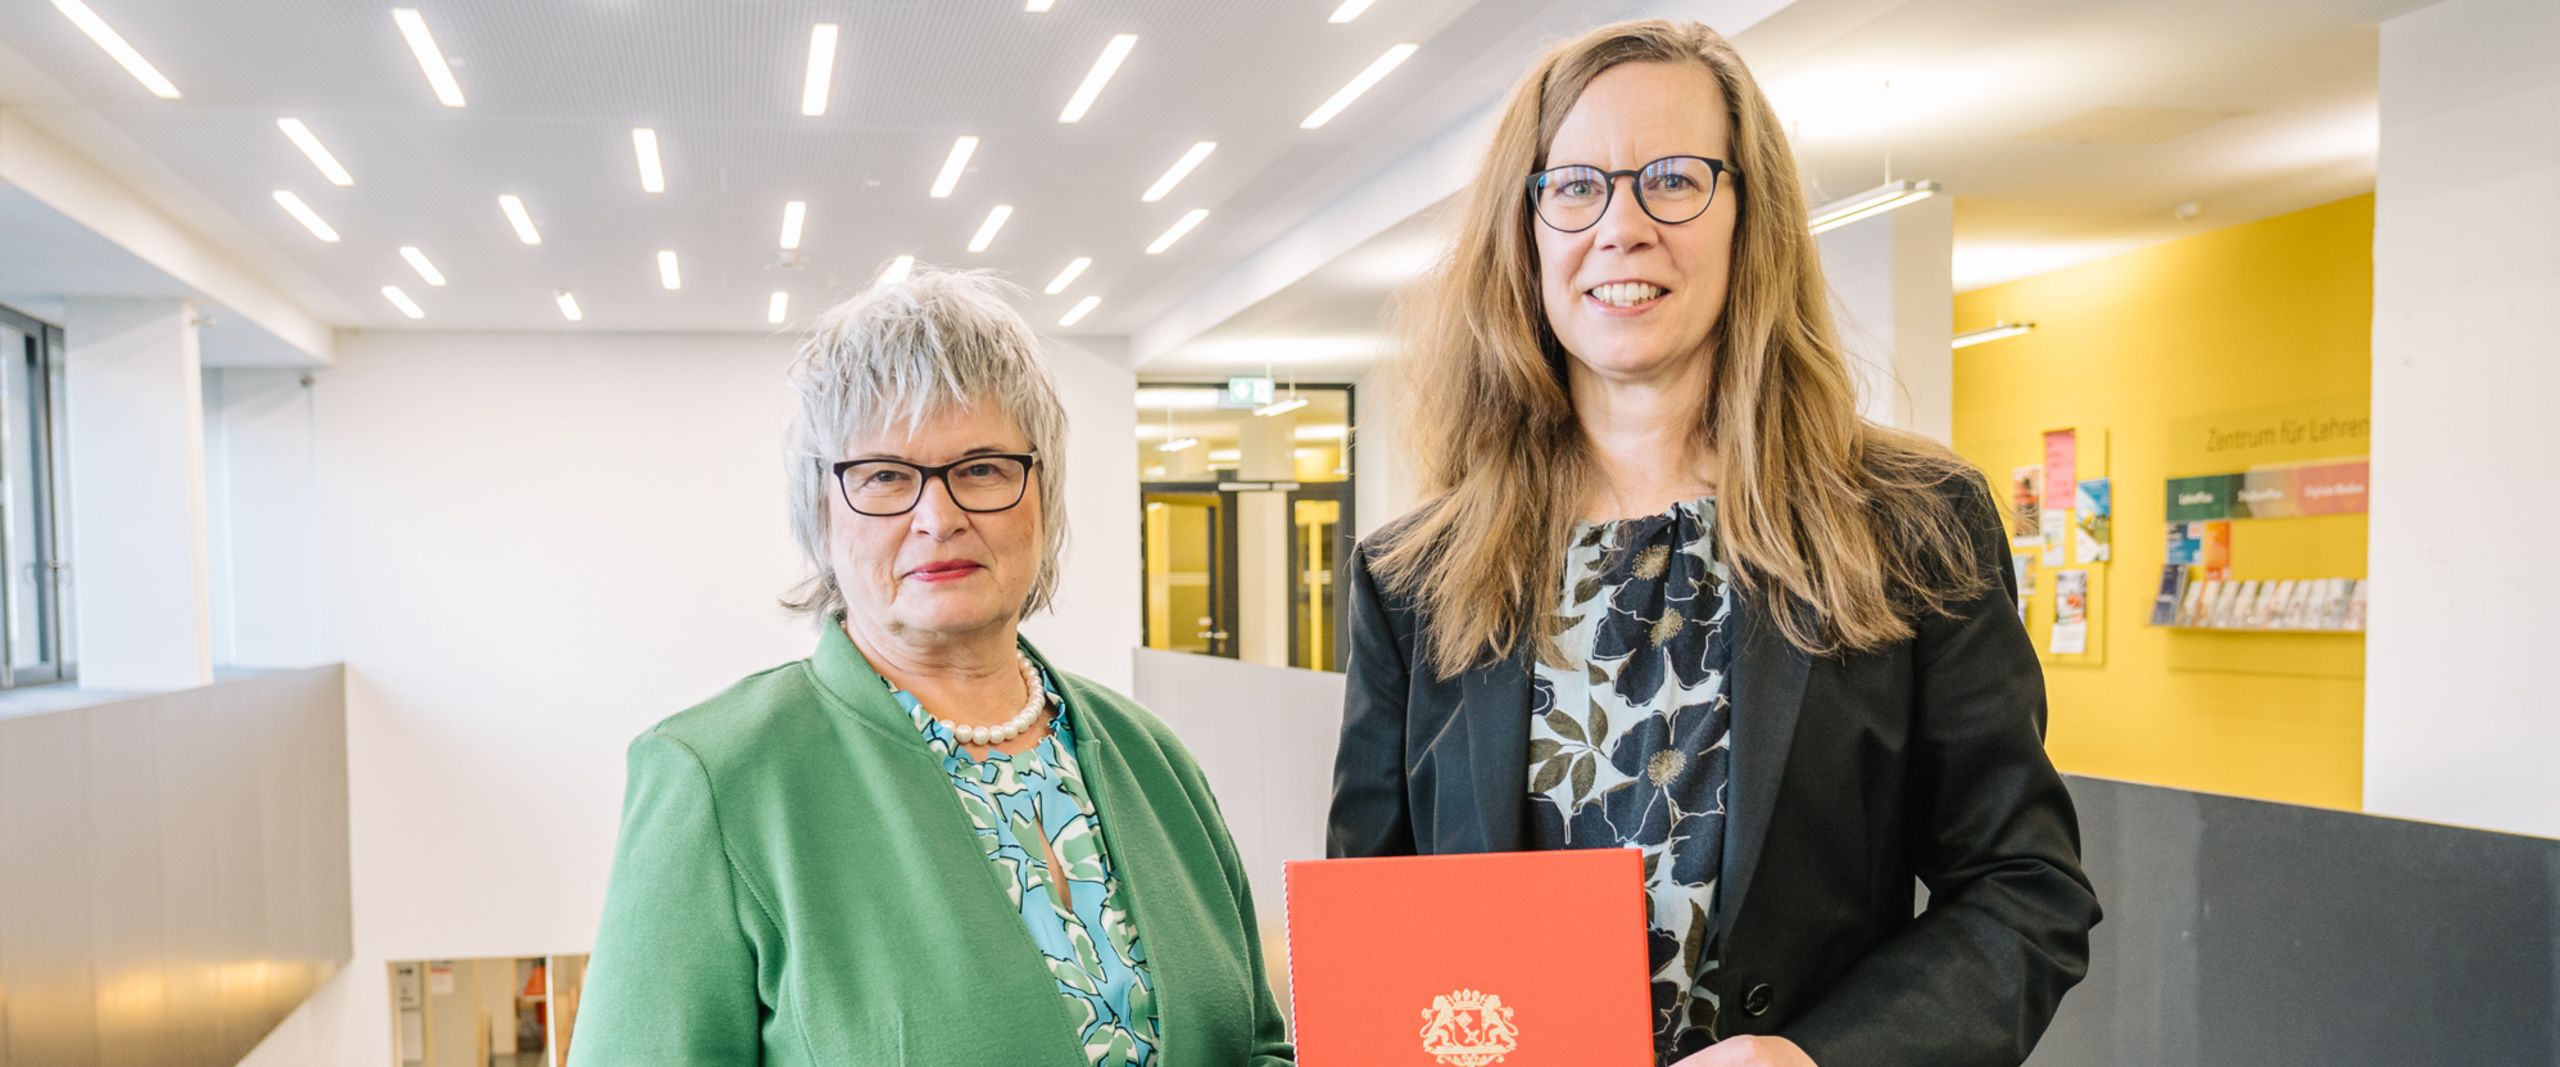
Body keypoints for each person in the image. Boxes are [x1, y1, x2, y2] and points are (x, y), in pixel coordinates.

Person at [1327, 20, 2100, 1067]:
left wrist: (1820, 1058)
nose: (1622, 226)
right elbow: (1384, 926)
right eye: (1575, 186)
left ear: (1750, 216)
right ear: (1528, 229)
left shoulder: (1911, 525)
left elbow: (2023, 888)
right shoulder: (1414, 576)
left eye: (1674, 179)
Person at [573, 268, 1292, 1066]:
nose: (937, 517)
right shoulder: (717, 778)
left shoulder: (1152, 757)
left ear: (1040, 496)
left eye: (981, 468)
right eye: (884, 475)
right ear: (821, 509)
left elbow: (1257, 1045)